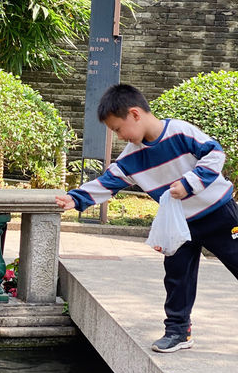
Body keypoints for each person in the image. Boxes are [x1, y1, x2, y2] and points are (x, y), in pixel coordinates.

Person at [55, 83, 238, 353]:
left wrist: (189, 183)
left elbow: (214, 154)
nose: (119, 136)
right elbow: (107, 183)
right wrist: (74, 199)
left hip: (218, 214)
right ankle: (178, 331)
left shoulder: (180, 131)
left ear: (135, 114)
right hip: (178, 223)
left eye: (118, 129)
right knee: (177, 277)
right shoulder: (131, 158)